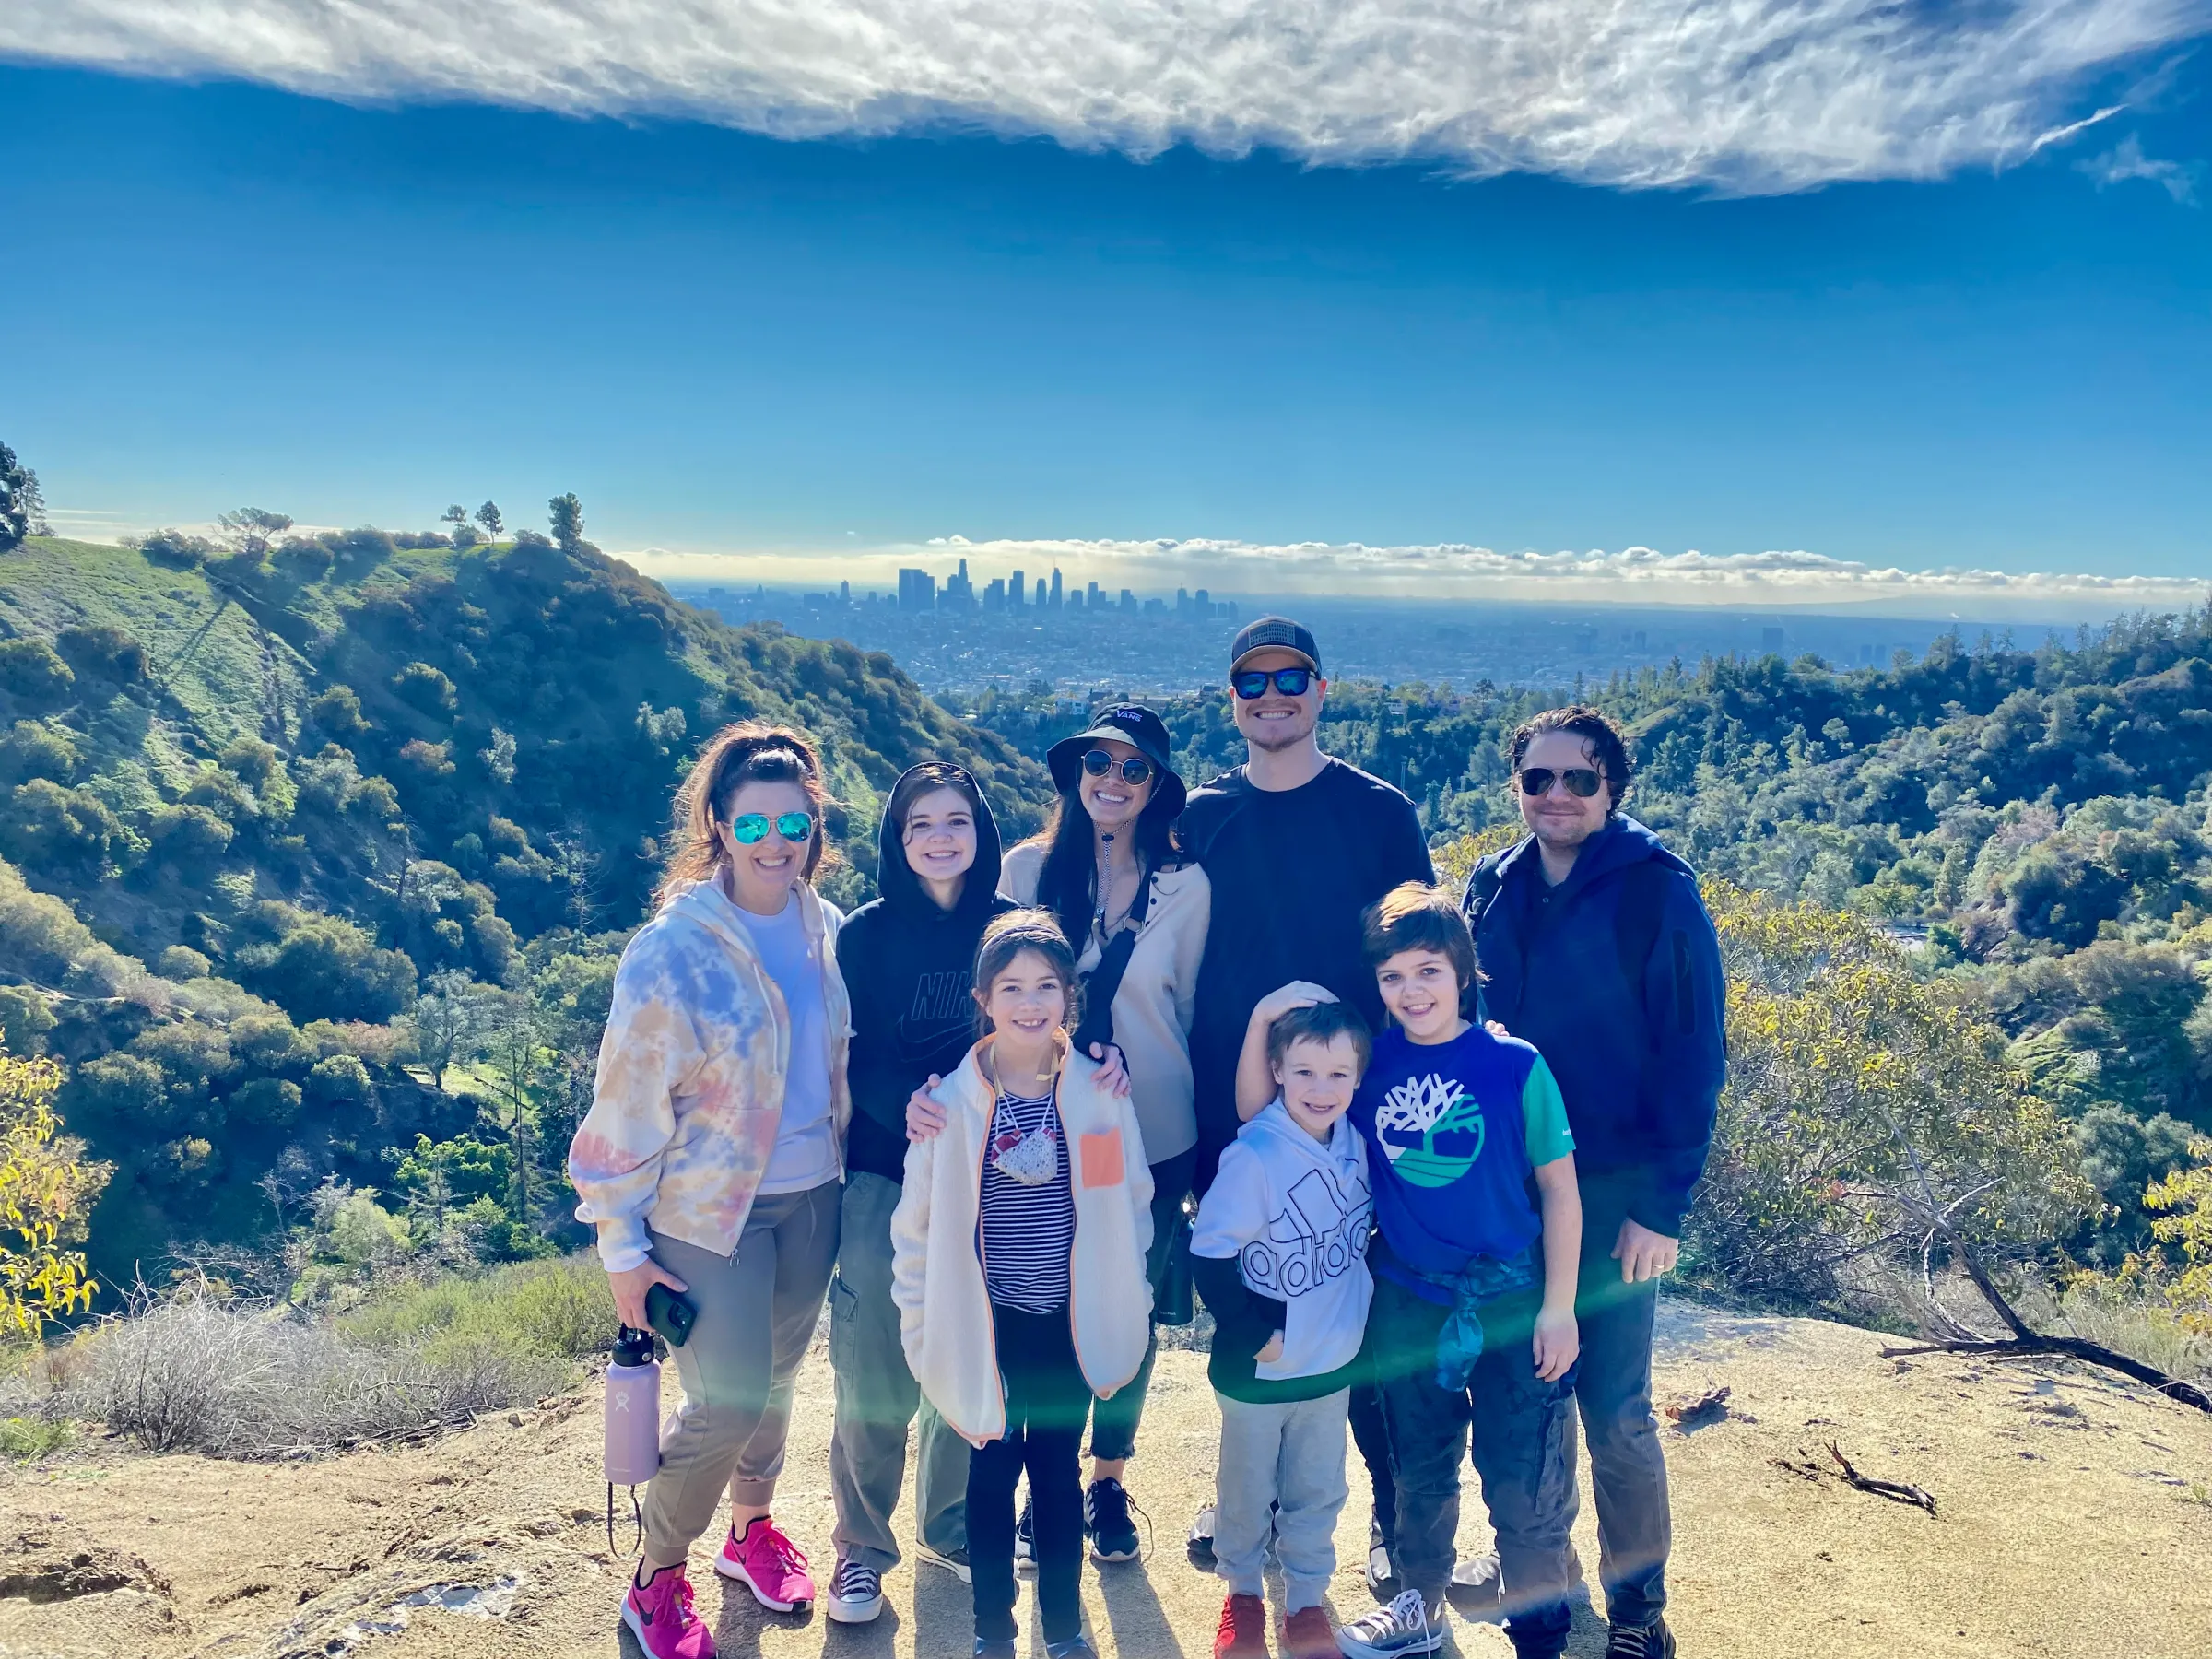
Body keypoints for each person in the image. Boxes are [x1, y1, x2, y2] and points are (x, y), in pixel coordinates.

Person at [569, 723, 853, 1659]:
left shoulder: (830, 931)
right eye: (755, 821)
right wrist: (621, 1248)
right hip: (705, 1215)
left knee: (773, 1388)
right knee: (726, 1401)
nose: (777, 840)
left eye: (796, 821)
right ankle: (655, 1577)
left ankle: (751, 1532)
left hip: (815, 1199)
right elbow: (625, 1103)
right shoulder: (672, 951)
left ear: (817, 824)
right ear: (720, 827)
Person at [1456, 706, 1726, 1659]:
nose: (1557, 796)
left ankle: (1638, 1610)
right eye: (1539, 778)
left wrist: (1664, 1206)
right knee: (1523, 1396)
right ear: (1516, 786)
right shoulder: (1492, 886)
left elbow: (1695, 1056)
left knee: (1612, 1408)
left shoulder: (1657, 895)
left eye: (1579, 779)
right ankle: (1539, 1571)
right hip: (1509, 1193)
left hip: (1614, 1192)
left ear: (1614, 788)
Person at [1254, 884, 1583, 1659]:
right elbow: (1268, 1111)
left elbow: (1560, 1187)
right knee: (1418, 1469)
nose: (1411, 991)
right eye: (1393, 976)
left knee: (1525, 1471)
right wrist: (1261, 1022)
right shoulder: (1368, 1064)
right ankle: (1420, 1606)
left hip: (1512, 1296)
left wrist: (1560, 1306)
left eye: (1428, 970)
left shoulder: (1514, 1064)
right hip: (1409, 1299)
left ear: (1463, 971)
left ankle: (1539, 1627)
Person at [1178, 615, 1433, 1583]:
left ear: (1325, 689)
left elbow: (1423, 961)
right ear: (1232, 699)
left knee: (1359, 1297)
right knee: (1253, 1301)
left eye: (1293, 679)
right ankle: (1252, 1498)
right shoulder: (1201, 816)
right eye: (1253, 682)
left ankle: (1381, 1512)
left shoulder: (1378, 812)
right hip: (1233, 1107)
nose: (1273, 696)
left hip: (1349, 1106)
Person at [891, 910, 1156, 1659]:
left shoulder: (1099, 1090)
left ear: (1069, 994)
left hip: (1064, 1324)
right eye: (1012, 987)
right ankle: (992, 1631)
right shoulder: (948, 1103)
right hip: (988, 1324)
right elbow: (914, 1229)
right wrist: (922, 1320)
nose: (1030, 1002)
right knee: (991, 1466)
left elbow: (1127, 1203)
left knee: (1056, 1471)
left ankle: (1066, 1628)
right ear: (983, 998)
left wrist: (1122, 1298)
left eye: (1047, 985)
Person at [999, 703, 1210, 1561]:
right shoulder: (1022, 871)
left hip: (1155, 1126)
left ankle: (1107, 1482)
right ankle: (1041, 1479)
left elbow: (1185, 1007)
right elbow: (996, 993)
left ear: (1156, 786)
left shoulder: (1187, 887)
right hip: (1035, 1131)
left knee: (1129, 1316)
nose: (1112, 781)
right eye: (1099, 763)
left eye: (1133, 768)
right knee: (1043, 1307)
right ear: (1074, 774)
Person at [829, 763, 1018, 1602]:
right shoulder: (864, 936)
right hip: (882, 1170)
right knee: (874, 1365)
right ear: (897, 839)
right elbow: (853, 1051)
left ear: (981, 833)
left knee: (969, 1356)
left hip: (994, 1181)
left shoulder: (1014, 928)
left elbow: (1051, 1021)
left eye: (957, 821)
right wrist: (907, 1104)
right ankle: (862, 1549)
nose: (940, 838)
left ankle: (951, 1530)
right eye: (921, 825)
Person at [1191, 1000, 1376, 1659]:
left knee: (1318, 1490)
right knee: (1245, 1492)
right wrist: (1250, 1333)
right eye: (1303, 1072)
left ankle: (1304, 1602)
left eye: (1337, 1074)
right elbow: (1208, 1254)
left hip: (1333, 1363)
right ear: (1275, 1070)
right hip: (1261, 1369)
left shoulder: (1358, 1142)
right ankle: (1241, 1594)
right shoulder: (1257, 1155)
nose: (1320, 1090)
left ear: (1358, 1077)